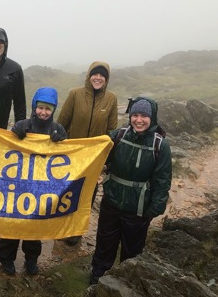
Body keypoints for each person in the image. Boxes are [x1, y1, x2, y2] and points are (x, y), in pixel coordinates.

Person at [89, 96, 172, 285]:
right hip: (111, 200)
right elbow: (92, 149)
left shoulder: (160, 145)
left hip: (139, 207)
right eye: (135, 115)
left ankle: (126, 281)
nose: (139, 120)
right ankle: (98, 275)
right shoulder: (119, 135)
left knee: (132, 248)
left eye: (144, 115)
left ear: (152, 118)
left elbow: (162, 179)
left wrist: (156, 207)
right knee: (105, 242)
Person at [0, 87, 67, 276]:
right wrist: (15, 132)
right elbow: (6, 147)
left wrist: (62, 140)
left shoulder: (57, 129)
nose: (44, 112)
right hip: (18, 184)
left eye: (48, 109)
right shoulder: (23, 125)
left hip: (41, 187)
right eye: (41, 107)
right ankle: (6, 259)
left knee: (35, 226)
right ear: (34, 106)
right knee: (12, 223)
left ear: (53, 110)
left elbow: (67, 157)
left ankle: (31, 259)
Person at [57, 61, 118, 246]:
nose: (98, 78)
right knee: (67, 191)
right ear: (89, 76)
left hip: (95, 159)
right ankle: (59, 225)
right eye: (95, 74)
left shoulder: (111, 98)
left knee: (88, 194)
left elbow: (111, 131)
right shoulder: (75, 94)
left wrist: (106, 160)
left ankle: (76, 231)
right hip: (72, 156)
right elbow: (61, 124)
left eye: (102, 75)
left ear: (106, 79)